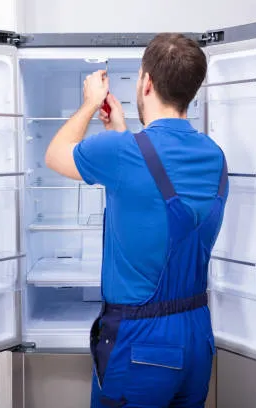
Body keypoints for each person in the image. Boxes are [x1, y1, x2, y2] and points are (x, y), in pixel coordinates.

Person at [45, 33, 228, 407]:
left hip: (141, 342)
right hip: (196, 335)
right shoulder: (214, 155)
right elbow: (150, 195)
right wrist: (120, 130)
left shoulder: (121, 153)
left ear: (145, 83)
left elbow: (55, 155)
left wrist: (89, 104)